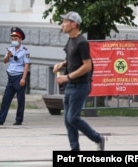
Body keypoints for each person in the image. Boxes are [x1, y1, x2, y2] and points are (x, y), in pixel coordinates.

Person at [53, 11, 106, 151]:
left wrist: (67, 77)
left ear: (74, 24)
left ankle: (98, 138)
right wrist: (62, 64)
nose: (62, 24)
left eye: (65, 21)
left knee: (72, 118)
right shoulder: (71, 40)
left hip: (81, 85)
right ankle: (74, 149)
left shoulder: (82, 42)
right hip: (71, 85)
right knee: (67, 120)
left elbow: (87, 65)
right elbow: (72, 58)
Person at [0, 27, 30, 126]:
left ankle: (19, 119)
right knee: (6, 99)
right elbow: (5, 61)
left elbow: (27, 65)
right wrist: (8, 56)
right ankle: (0, 119)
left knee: (20, 100)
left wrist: (24, 78)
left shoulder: (25, 51)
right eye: (12, 39)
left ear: (20, 39)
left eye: (16, 39)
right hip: (11, 77)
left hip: (19, 77)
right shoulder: (10, 49)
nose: (14, 41)